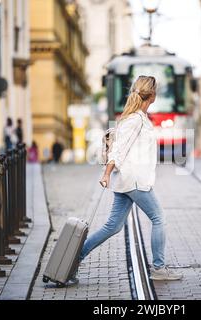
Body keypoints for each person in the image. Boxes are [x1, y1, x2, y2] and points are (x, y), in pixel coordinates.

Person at [77, 76, 182, 282]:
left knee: (113, 226)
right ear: (151, 95)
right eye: (156, 91)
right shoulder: (134, 119)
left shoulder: (139, 118)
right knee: (159, 218)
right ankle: (159, 268)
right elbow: (119, 149)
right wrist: (106, 173)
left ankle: (75, 257)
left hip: (128, 180)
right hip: (134, 180)